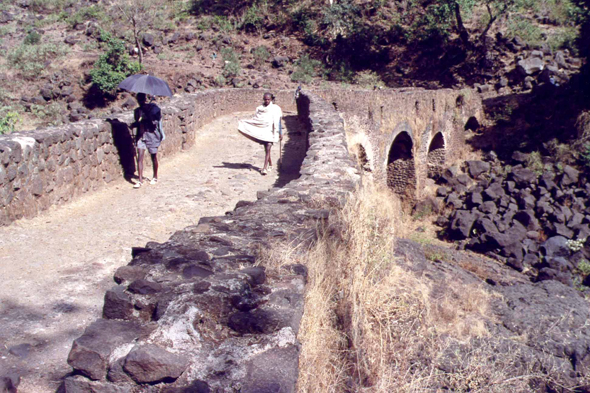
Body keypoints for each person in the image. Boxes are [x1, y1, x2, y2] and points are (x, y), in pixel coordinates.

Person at [238, 92, 282, 175]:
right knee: (266, 149)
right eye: (265, 99)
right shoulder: (259, 108)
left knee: (268, 147)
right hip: (262, 131)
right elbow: (256, 121)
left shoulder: (276, 108)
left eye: (268, 99)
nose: (267, 101)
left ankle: (264, 168)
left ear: (271, 99)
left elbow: (278, 121)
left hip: (271, 131)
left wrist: (280, 132)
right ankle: (271, 164)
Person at [131, 93, 165, 188]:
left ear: (145, 99)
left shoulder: (153, 109)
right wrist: (136, 123)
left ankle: (155, 176)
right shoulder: (137, 111)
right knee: (140, 157)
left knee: (153, 156)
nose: (140, 101)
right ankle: (140, 180)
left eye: (142, 99)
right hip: (141, 136)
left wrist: (148, 116)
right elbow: (137, 123)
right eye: (138, 99)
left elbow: (154, 123)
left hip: (152, 136)